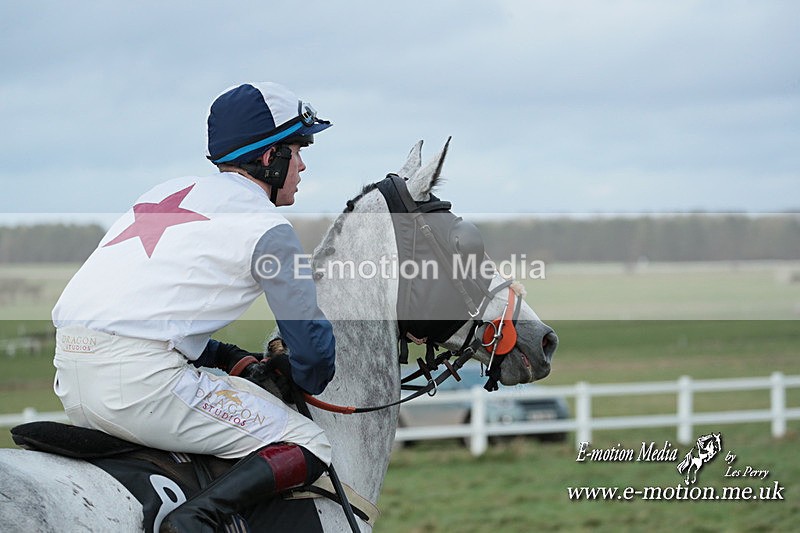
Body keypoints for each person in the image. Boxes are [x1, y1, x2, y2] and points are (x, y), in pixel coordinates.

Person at [51, 82, 337, 532]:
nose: (302, 165)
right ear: (271, 158)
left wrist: (230, 357)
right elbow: (314, 360)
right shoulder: (269, 228)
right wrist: (291, 371)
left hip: (70, 377)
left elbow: (146, 311)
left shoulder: (167, 192)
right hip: (141, 387)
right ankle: (195, 518)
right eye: (298, 150)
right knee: (309, 442)